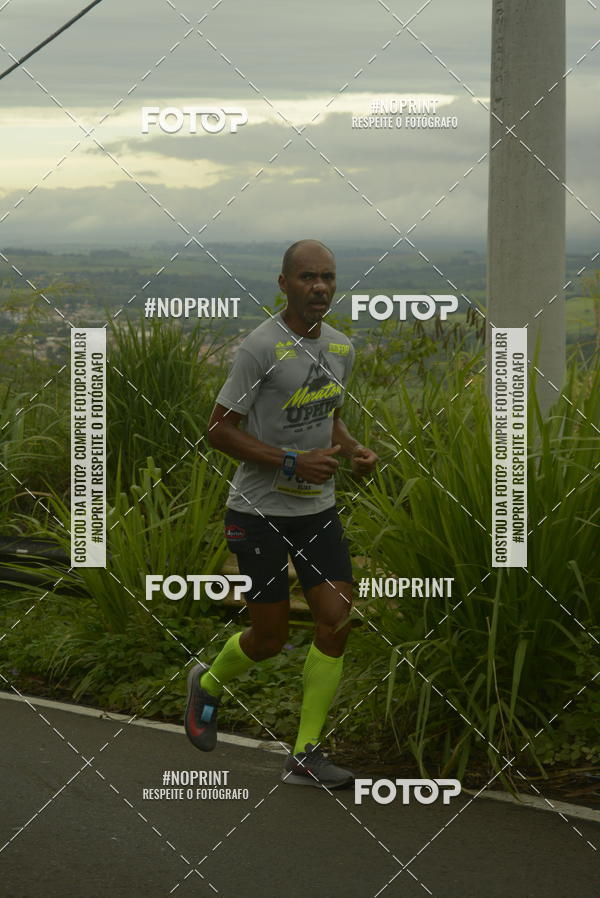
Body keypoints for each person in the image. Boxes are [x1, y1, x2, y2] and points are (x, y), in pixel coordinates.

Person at [184, 239, 378, 788]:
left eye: (328, 277)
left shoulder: (341, 348)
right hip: (257, 510)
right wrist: (292, 459)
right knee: (267, 639)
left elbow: (327, 415)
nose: (320, 287)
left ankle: (305, 753)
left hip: (316, 509)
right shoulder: (261, 347)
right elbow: (219, 429)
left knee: (336, 619)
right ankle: (210, 680)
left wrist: (353, 448)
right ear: (284, 284)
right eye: (308, 277)